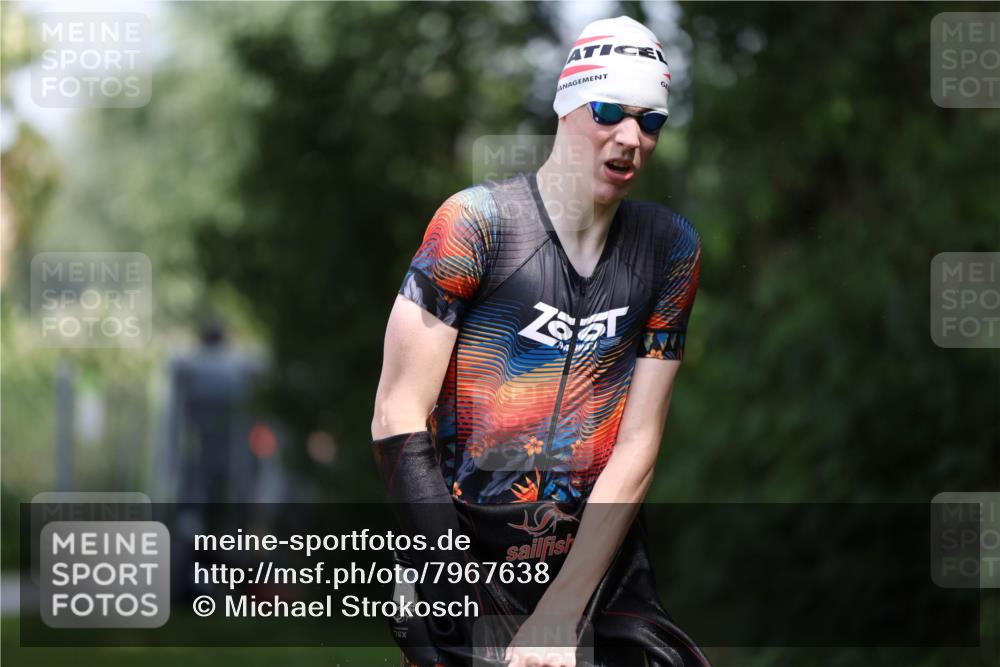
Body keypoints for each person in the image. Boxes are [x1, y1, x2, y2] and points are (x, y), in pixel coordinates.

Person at [372, 15, 711, 667]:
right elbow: (396, 413)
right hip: (462, 550)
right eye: (610, 110)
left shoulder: (669, 249)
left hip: (594, 559)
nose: (631, 137)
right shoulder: (476, 226)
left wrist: (563, 606)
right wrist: (454, 585)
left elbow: (638, 442)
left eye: (652, 121)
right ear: (567, 107)